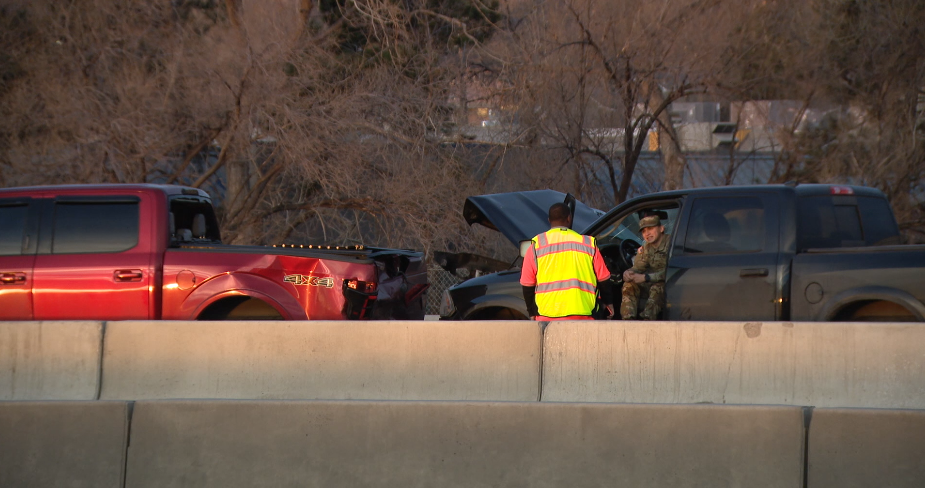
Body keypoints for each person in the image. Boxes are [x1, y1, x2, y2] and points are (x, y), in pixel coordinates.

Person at [520, 202, 614, 320]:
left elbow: (527, 284)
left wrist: (532, 312)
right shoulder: (587, 244)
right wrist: (608, 303)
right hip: (583, 315)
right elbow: (604, 279)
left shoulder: (536, 246)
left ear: (549, 220)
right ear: (569, 218)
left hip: (546, 318)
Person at [621, 215, 670, 320]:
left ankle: (647, 321)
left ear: (661, 229)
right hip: (650, 282)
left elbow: (672, 271)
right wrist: (629, 272)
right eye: (643, 231)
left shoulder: (672, 244)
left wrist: (646, 277)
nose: (647, 234)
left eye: (651, 229)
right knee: (629, 284)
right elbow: (639, 267)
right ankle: (628, 320)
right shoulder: (646, 247)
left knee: (658, 287)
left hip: (669, 284)